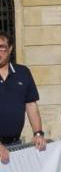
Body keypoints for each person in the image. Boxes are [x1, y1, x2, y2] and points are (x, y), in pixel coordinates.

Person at [0, 31, 46, 164]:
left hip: (16, 145)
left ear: (10, 49)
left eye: (2, 47)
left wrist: (38, 134)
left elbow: (31, 105)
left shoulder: (23, 72)